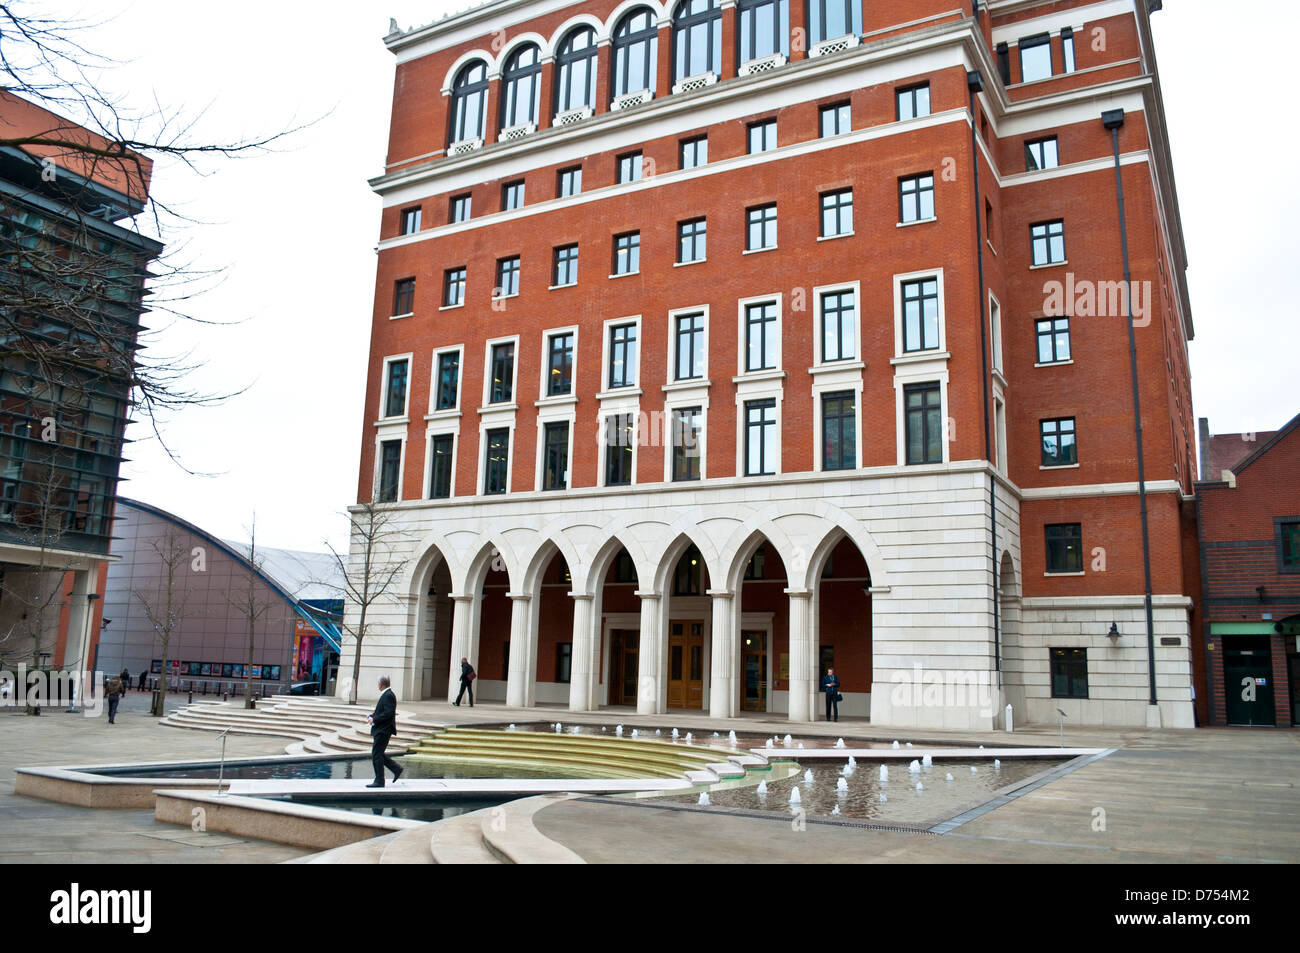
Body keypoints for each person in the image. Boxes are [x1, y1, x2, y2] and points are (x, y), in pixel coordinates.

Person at [366, 675, 403, 788]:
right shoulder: (387, 695)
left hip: (383, 730)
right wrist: (373, 715)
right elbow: (385, 711)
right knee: (378, 754)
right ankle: (396, 769)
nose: (377, 685)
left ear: (381, 684)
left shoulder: (388, 695)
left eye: (378, 683)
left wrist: (374, 719)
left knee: (376, 754)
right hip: (382, 729)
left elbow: (388, 713)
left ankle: (379, 781)